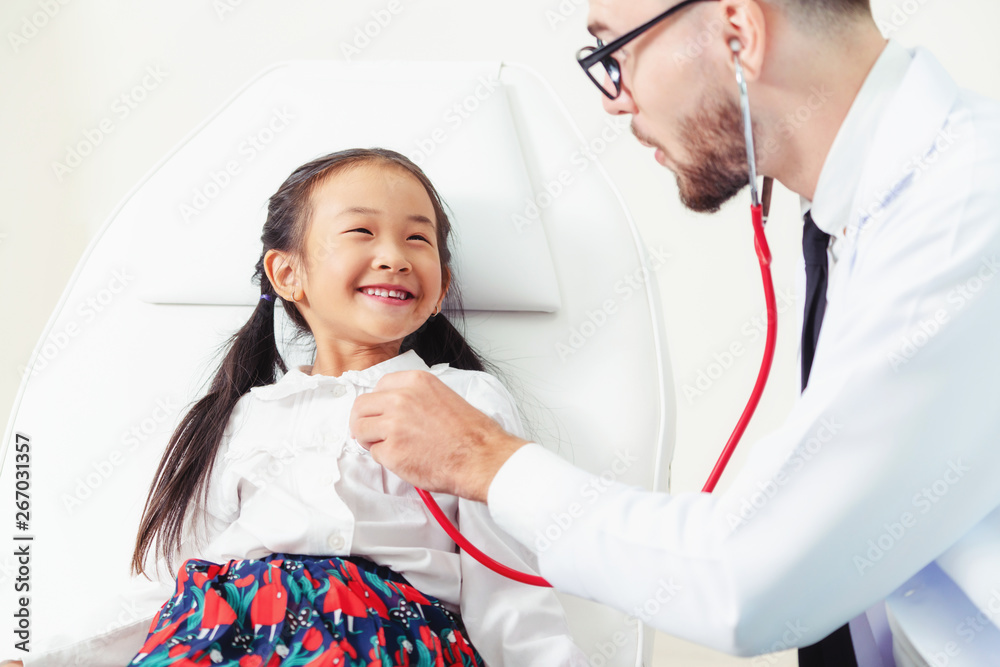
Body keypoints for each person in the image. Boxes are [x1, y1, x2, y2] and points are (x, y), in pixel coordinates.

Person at [348, 1, 1000, 666]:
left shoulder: (967, 214)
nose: (614, 100)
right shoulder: (863, 216)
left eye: (614, 55)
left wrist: (485, 459)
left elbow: (747, 578)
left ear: (738, 33)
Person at [16, 149, 585, 667]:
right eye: (361, 231)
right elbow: (171, 586)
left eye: (418, 239)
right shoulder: (243, 418)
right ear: (288, 274)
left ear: (442, 288)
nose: (394, 256)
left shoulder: (464, 399)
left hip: (386, 640)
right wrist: (51, 660)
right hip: (225, 638)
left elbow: (507, 586)